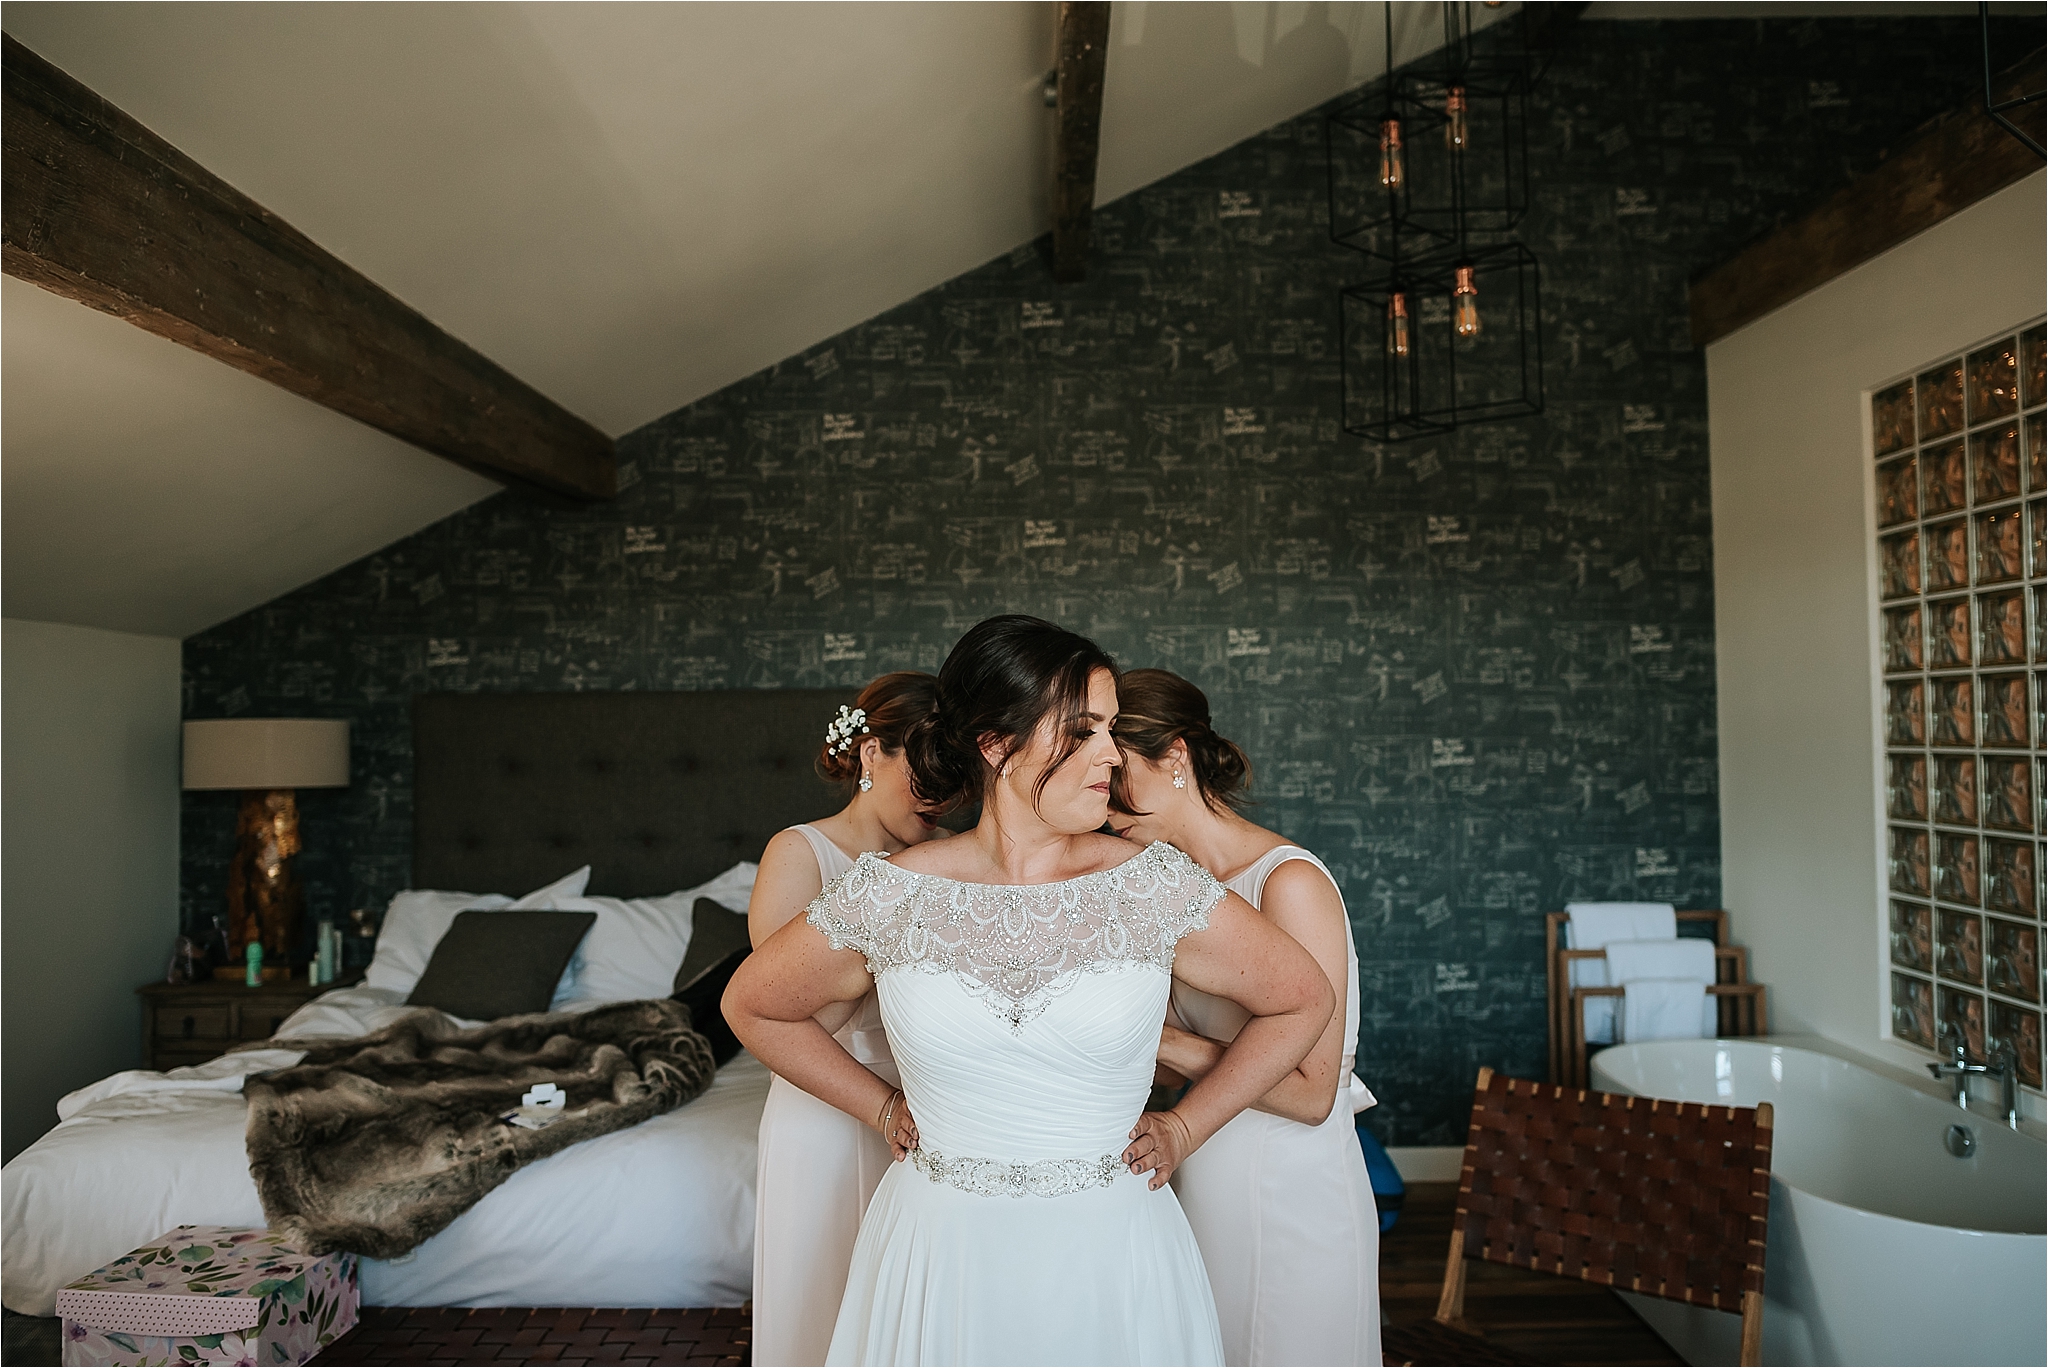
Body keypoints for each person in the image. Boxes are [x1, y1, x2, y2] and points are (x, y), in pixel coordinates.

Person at [724, 616, 1333, 1367]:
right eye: (1082, 731)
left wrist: (1186, 1128)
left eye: (1110, 730)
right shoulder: (893, 894)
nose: (1111, 754)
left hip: (1112, 1255)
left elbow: (1303, 999)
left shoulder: (1150, 885)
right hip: (937, 1252)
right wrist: (879, 1106)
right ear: (996, 745)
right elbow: (752, 1004)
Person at [1107, 668, 1381, 1368]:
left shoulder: (1287, 882)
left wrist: (1172, 1043)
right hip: (1199, 1176)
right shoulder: (1176, 893)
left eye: (1118, 777)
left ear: (1174, 757)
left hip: (1295, 1194)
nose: (1106, 807)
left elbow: (1314, 1092)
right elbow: (1163, 1074)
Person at [747, 673, 951, 1368]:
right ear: (871, 755)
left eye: (954, 778)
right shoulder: (798, 853)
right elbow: (789, 1012)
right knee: (822, 1301)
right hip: (823, 1113)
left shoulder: (946, 863)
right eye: (925, 774)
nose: (942, 798)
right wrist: (882, 909)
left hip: (930, 1119)